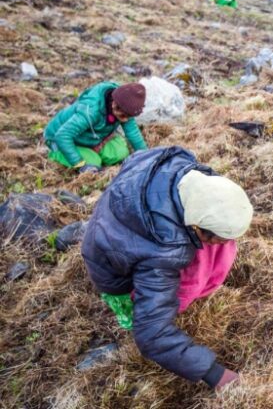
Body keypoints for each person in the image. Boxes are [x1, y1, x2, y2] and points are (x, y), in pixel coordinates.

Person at [81, 146, 254, 389]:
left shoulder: (177, 165)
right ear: (196, 226)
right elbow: (151, 333)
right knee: (152, 308)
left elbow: (134, 158)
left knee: (217, 250)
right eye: (221, 237)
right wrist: (213, 373)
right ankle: (144, 301)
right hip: (114, 273)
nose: (228, 244)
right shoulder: (164, 252)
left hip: (114, 223)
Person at [43, 82, 148, 173]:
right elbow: (62, 135)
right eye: (123, 116)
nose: (125, 120)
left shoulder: (125, 104)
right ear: (114, 105)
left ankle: (91, 151)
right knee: (93, 163)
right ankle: (56, 154)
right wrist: (79, 164)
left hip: (91, 137)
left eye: (128, 117)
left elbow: (133, 132)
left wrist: (147, 157)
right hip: (60, 138)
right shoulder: (90, 111)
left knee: (121, 152)